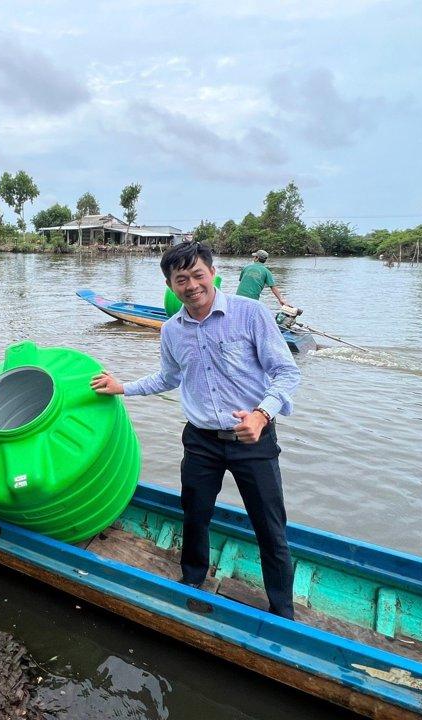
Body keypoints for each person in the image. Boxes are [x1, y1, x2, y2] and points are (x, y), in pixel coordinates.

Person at [91, 241, 300, 619]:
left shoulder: (250, 314)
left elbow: (287, 372)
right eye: (180, 279)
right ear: (171, 286)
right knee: (194, 513)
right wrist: (123, 387)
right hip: (201, 440)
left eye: (197, 275)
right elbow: (168, 377)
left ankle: (282, 611)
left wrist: (262, 414)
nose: (191, 285)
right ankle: (191, 582)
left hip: (252, 435)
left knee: (270, 526)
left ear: (213, 273)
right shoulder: (172, 330)